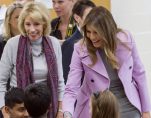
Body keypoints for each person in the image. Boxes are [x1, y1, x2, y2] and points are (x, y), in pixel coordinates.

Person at [63, 6, 151, 118]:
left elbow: (139, 74)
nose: (91, 37)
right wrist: (67, 113)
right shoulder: (80, 48)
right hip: (97, 109)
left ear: (107, 31)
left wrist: (146, 110)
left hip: (129, 106)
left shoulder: (126, 38)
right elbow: (71, 87)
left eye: (96, 32)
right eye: (88, 32)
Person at [0, 2, 65, 118]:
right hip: (19, 110)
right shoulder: (12, 44)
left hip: (47, 110)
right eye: (28, 24)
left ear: (44, 24)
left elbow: (60, 82)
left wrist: (60, 111)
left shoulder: (54, 43)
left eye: (36, 24)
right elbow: (1, 81)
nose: (32, 29)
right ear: (23, 24)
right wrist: (5, 112)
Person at [62, 0, 96, 84]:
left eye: (94, 15)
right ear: (77, 18)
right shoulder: (70, 44)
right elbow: (68, 78)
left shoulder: (100, 38)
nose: (93, 20)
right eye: (89, 16)